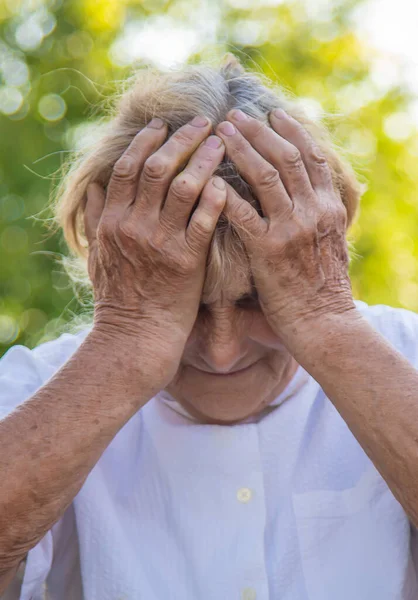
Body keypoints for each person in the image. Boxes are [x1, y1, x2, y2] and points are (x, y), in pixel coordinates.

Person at [1, 53, 418, 600]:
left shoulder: (405, 354)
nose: (221, 353)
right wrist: (128, 340)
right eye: (188, 307)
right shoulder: (34, 390)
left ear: (324, 244)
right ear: (109, 259)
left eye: (258, 300)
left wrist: (325, 321)